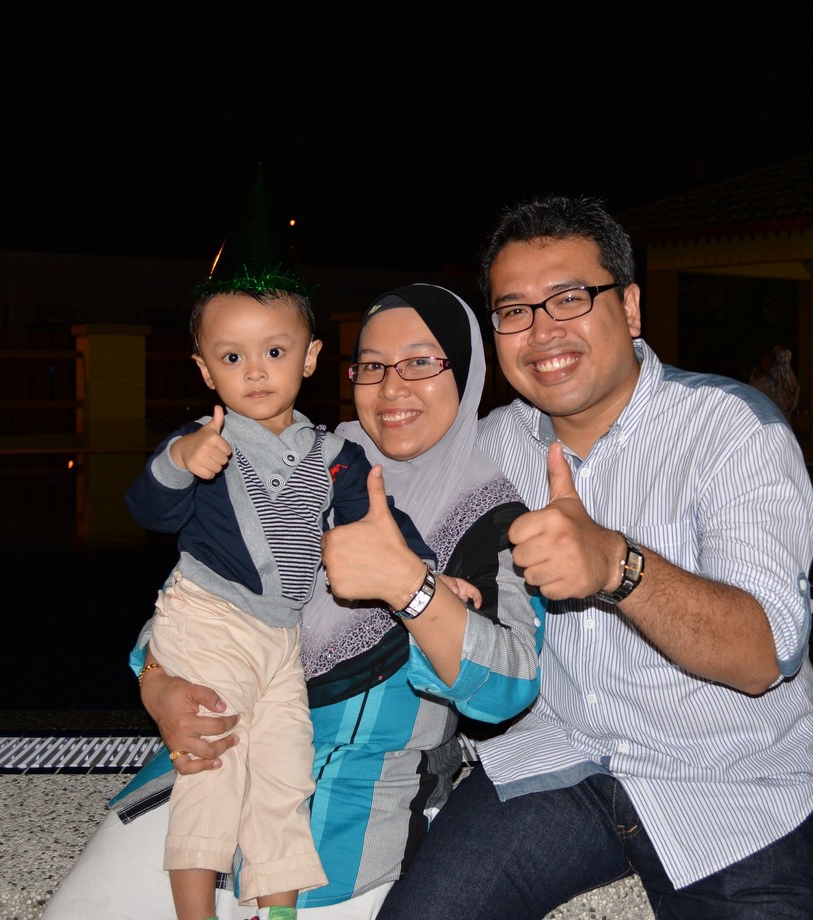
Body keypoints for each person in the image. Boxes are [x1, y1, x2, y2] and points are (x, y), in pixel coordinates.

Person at [377, 196, 813, 919]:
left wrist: (619, 567)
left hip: (730, 781)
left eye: (569, 298)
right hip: (557, 761)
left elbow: (763, 656)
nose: (542, 332)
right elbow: (334, 504)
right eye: (515, 311)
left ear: (629, 308)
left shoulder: (732, 431)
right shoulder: (488, 450)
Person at [43, 283, 545, 919]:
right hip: (206, 761)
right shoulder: (311, 460)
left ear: (465, 373)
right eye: (372, 365)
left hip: (350, 805)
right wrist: (157, 683)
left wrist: (412, 588)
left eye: (421, 362)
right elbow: (202, 589)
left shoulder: (492, 517)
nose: (391, 388)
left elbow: (508, 688)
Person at [124, 270, 436, 920]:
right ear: (205, 370)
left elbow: (380, 525)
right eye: (232, 357)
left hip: (279, 638)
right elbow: (149, 508)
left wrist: (431, 573)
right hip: (208, 618)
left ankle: (280, 913)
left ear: (311, 357)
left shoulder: (334, 454)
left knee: (286, 774)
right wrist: (179, 460)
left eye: (274, 350)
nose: (256, 371)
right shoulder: (205, 440)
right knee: (213, 764)